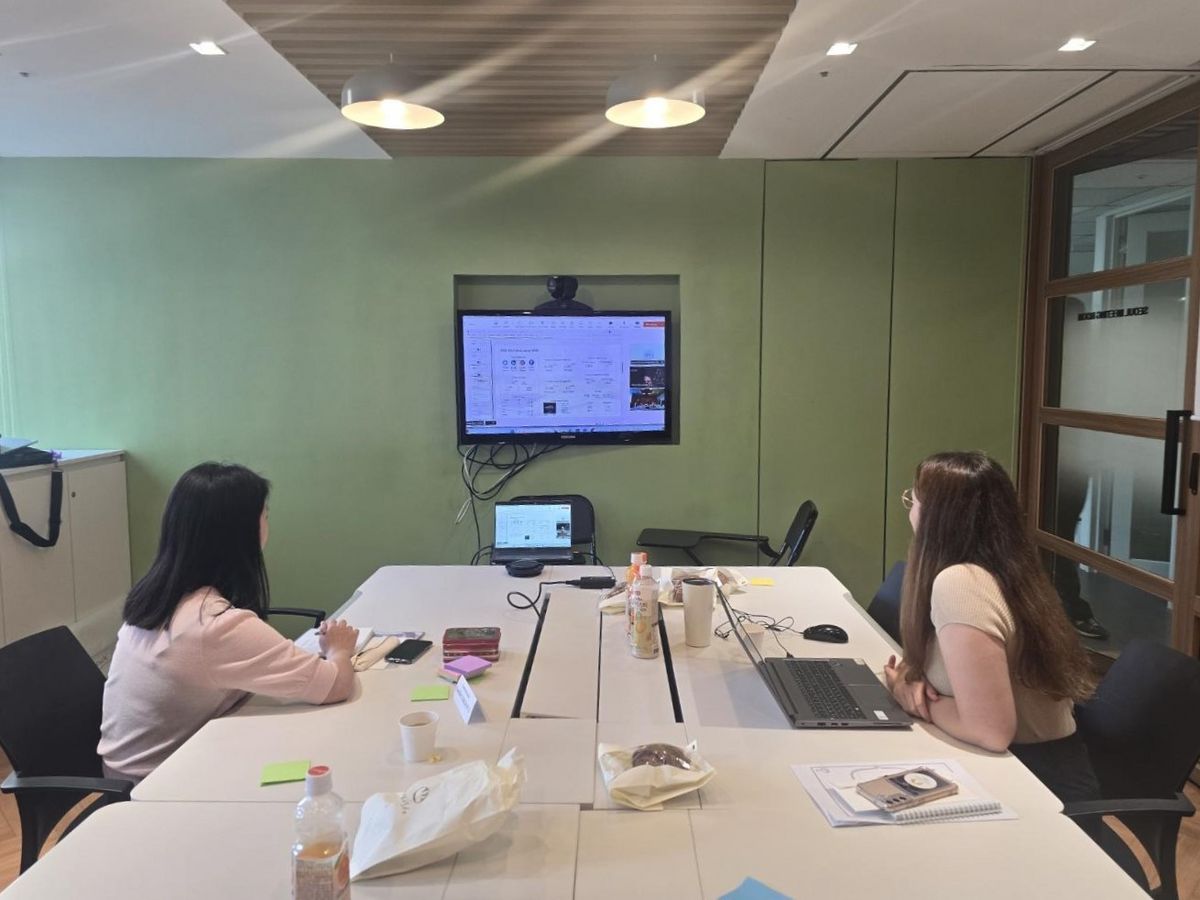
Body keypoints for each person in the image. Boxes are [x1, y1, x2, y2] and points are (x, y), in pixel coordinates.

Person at [99, 462, 358, 782]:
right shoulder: (214, 625)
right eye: (264, 515)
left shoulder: (157, 600)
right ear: (244, 531)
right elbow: (336, 685)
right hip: (160, 784)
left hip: (129, 771)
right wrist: (339, 649)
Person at [884, 451, 1099, 803]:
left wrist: (914, 701)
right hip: (1039, 768)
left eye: (914, 500)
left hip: (1037, 787)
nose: (910, 510)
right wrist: (912, 677)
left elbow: (990, 731)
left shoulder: (961, 584)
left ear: (937, 518)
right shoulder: (1008, 571)